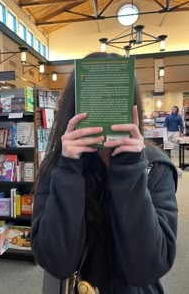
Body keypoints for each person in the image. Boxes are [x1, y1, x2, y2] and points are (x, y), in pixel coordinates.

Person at [31, 52, 178, 294]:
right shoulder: (58, 166)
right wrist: (69, 169)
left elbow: (147, 267)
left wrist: (130, 168)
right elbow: (56, 262)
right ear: (74, 106)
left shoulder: (155, 167)